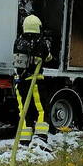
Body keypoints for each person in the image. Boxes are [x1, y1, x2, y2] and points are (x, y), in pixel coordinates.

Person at [13, 13, 52, 145]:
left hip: (19, 82)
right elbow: (48, 58)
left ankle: (24, 140)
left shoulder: (18, 41)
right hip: (35, 82)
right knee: (41, 109)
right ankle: (41, 137)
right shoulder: (40, 42)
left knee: (24, 111)